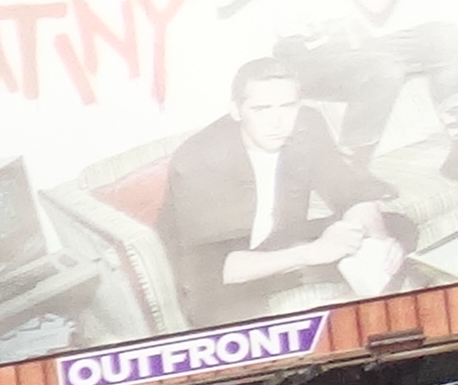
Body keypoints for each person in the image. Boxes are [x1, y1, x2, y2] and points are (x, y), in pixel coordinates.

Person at [153, 56, 407, 329]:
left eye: (288, 107)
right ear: (236, 110)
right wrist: (309, 253)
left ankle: (358, 310)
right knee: (235, 324)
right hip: (220, 277)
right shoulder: (200, 159)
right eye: (262, 109)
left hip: (279, 242)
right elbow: (213, 270)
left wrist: (379, 243)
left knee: (397, 228)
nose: (278, 123)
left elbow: (349, 191)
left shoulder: (306, 125)